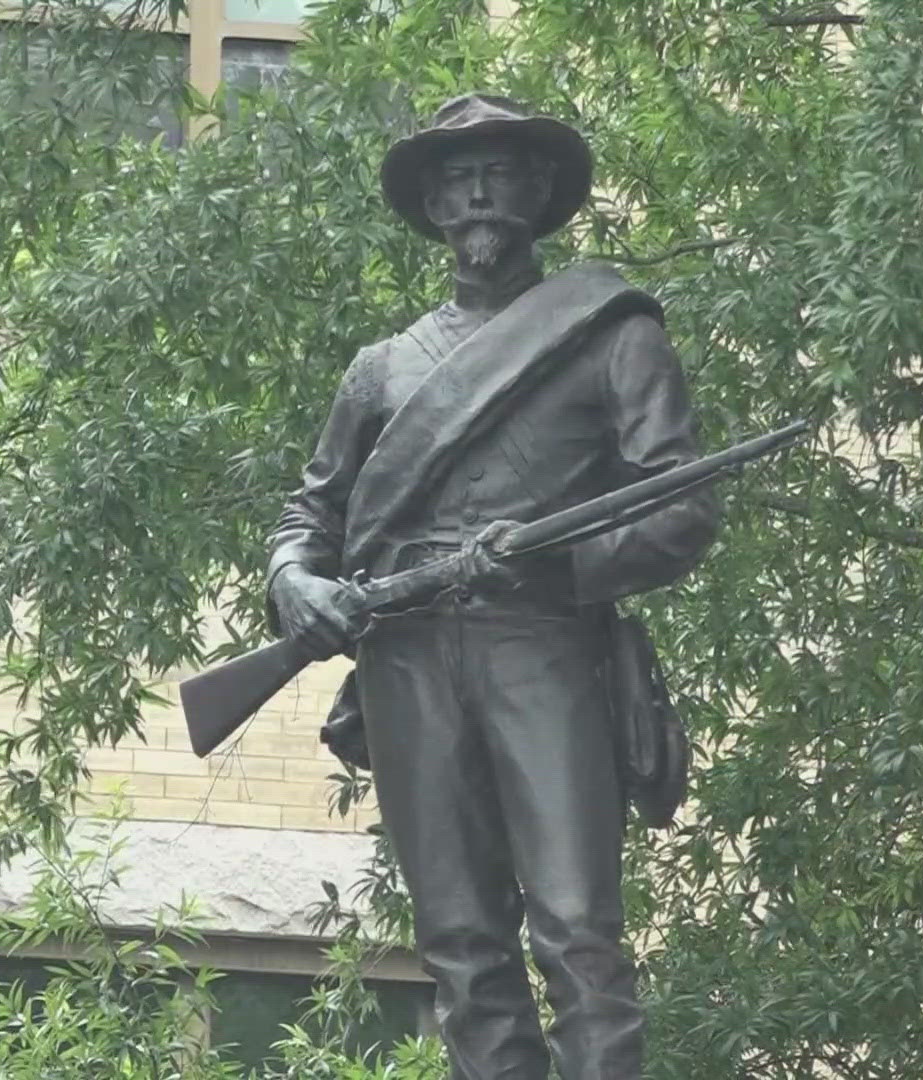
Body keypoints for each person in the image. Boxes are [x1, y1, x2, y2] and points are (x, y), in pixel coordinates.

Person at [266, 93, 720, 1079]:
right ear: (432, 206)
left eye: (502, 170)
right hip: (409, 663)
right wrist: (295, 583)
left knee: (580, 934)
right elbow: (309, 520)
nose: (478, 193)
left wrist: (564, 562)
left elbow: (682, 509)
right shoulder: (378, 372)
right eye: (457, 177)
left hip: (544, 648)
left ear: (542, 191)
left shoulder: (610, 336)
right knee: (463, 946)